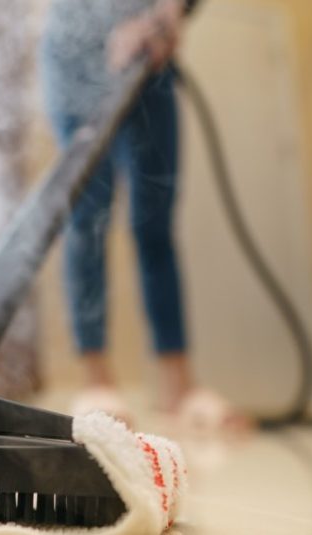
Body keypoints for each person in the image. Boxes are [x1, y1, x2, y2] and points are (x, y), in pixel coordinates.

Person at [40, 0, 245, 428]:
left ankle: (180, 388)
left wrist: (163, 15)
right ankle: (95, 380)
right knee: (87, 220)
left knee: (155, 223)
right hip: (73, 58)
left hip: (148, 57)